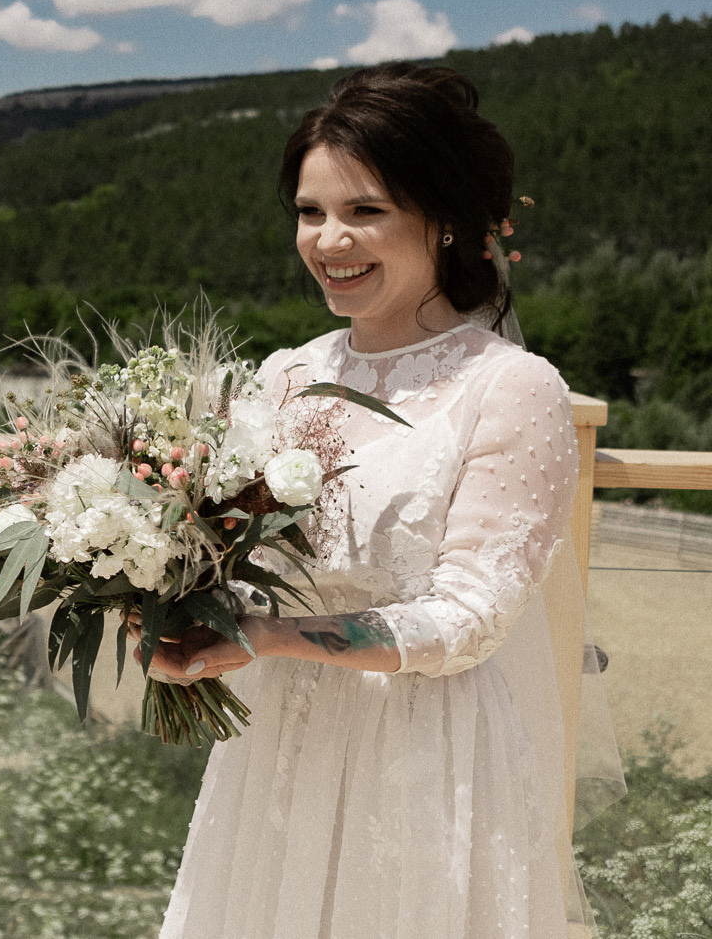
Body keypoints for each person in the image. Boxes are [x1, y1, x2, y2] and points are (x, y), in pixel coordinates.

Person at [150, 63, 583, 937]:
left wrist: (276, 637)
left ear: (445, 219)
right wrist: (165, 599)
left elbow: (471, 617)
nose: (329, 239)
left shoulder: (511, 387)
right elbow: (238, 556)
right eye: (310, 211)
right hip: (281, 750)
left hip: (427, 756)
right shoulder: (285, 375)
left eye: (365, 210)